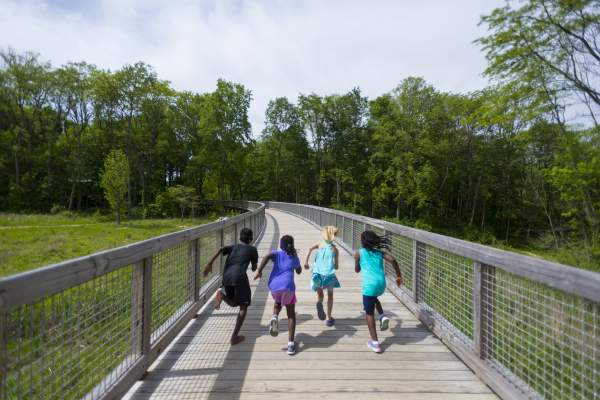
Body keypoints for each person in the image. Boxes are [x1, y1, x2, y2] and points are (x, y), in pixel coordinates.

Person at [204, 227, 258, 345]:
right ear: (251, 238)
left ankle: (222, 294)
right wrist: (255, 266)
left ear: (240, 238)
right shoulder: (253, 250)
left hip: (227, 276)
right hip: (239, 277)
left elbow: (220, 249)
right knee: (243, 305)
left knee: (234, 303)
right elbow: (254, 268)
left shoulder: (234, 247)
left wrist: (209, 264)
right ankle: (234, 337)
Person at [354, 230, 402, 353]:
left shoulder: (359, 253)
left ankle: (375, 343)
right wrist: (398, 276)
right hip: (381, 284)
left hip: (370, 285)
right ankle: (382, 316)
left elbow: (357, 270)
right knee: (373, 298)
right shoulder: (380, 252)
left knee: (369, 313)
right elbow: (393, 260)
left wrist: (358, 262)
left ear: (363, 242)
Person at [254, 235, 302, 355]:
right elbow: (299, 271)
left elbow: (267, 256)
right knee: (291, 315)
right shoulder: (294, 256)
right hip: (288, 287)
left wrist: (259, 270)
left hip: (274, 286)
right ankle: (291, 345)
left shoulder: (277, 254)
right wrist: (296, 257)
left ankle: (275, 316)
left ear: (281, 245)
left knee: (278, 302)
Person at [304, 226, 340, 326]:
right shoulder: (335, 249)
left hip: (317, 274)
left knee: (320, 295)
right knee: (330, 296)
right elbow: (336, 267)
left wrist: (306, 262)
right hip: (329, 276)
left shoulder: (320, 244)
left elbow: (309, 249)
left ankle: (319, 302)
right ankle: (329, 318)